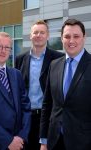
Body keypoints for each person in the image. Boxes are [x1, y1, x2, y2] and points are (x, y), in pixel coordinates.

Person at [40, 18, 91, 150]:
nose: (71, 41)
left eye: (76, 36)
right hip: (55, 141)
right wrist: (44, 140)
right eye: (67, 36)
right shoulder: (54, 65)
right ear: (62, 39)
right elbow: (47, 104)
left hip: (84, 142)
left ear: (84, 37)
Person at [15, 20, 64, 150]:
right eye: (35, 32)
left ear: (47, 36)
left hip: (48, 117)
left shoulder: (58, 58)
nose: (38, 35)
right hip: (25, 117)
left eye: (42, 32)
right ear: (30, 36)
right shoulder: (20, 59)